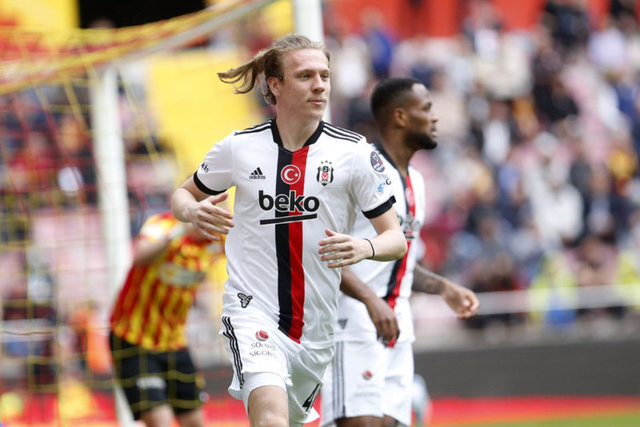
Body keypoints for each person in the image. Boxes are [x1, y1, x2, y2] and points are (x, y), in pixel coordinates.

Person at [170, 34, 407, 427]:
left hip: (315, 328)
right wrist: (193, 211)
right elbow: (182, 194)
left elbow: (395, 238)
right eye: (305, 76)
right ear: (275, 85)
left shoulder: (354, 153)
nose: (319, 85)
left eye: (324, 76)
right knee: (271, 420)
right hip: (252, 311)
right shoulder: (239, 148)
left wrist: (364, 247)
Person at [321, 77, 480, 427]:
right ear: (400, 117)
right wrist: (370, 300)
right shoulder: (360, 168)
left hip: (397, 326)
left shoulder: (416, 181)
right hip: (356, 321)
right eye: (426, 109)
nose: (434, 118)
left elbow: (400, 262)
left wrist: (445, 289)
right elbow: (324, 250)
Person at [109, 211, 225, 426]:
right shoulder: (164, 225)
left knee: (194, 422)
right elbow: (140, 255)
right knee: (159, 421)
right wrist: (179, 231)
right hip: (134, 337)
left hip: (174, 341)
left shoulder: (218, 239)